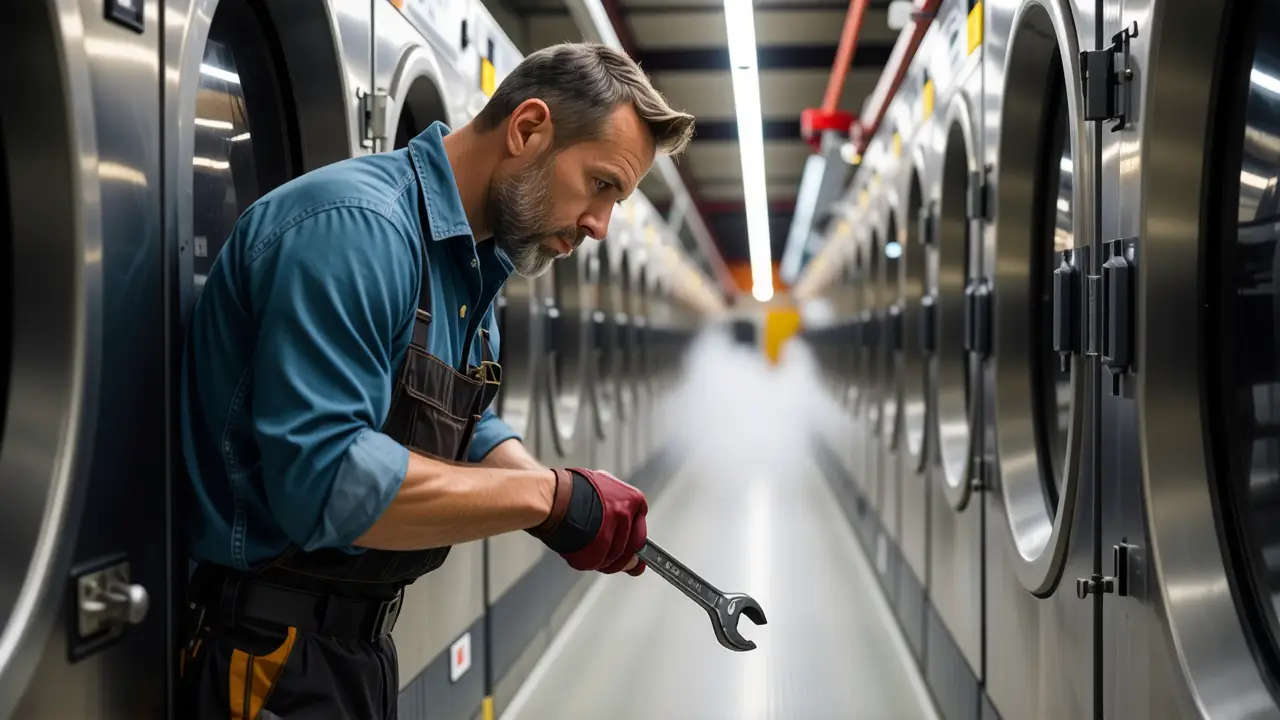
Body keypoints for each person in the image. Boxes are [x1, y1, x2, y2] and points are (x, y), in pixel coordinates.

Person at [176, 41, 695, 719]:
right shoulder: (358, 231)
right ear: (528, 129)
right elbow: (327, 480)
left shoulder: (470, 264)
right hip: (264, 653)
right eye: (601, 184)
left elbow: (462, 418)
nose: (600, 225)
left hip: (350, 648)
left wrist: (559, 503)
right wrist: (547, 497)